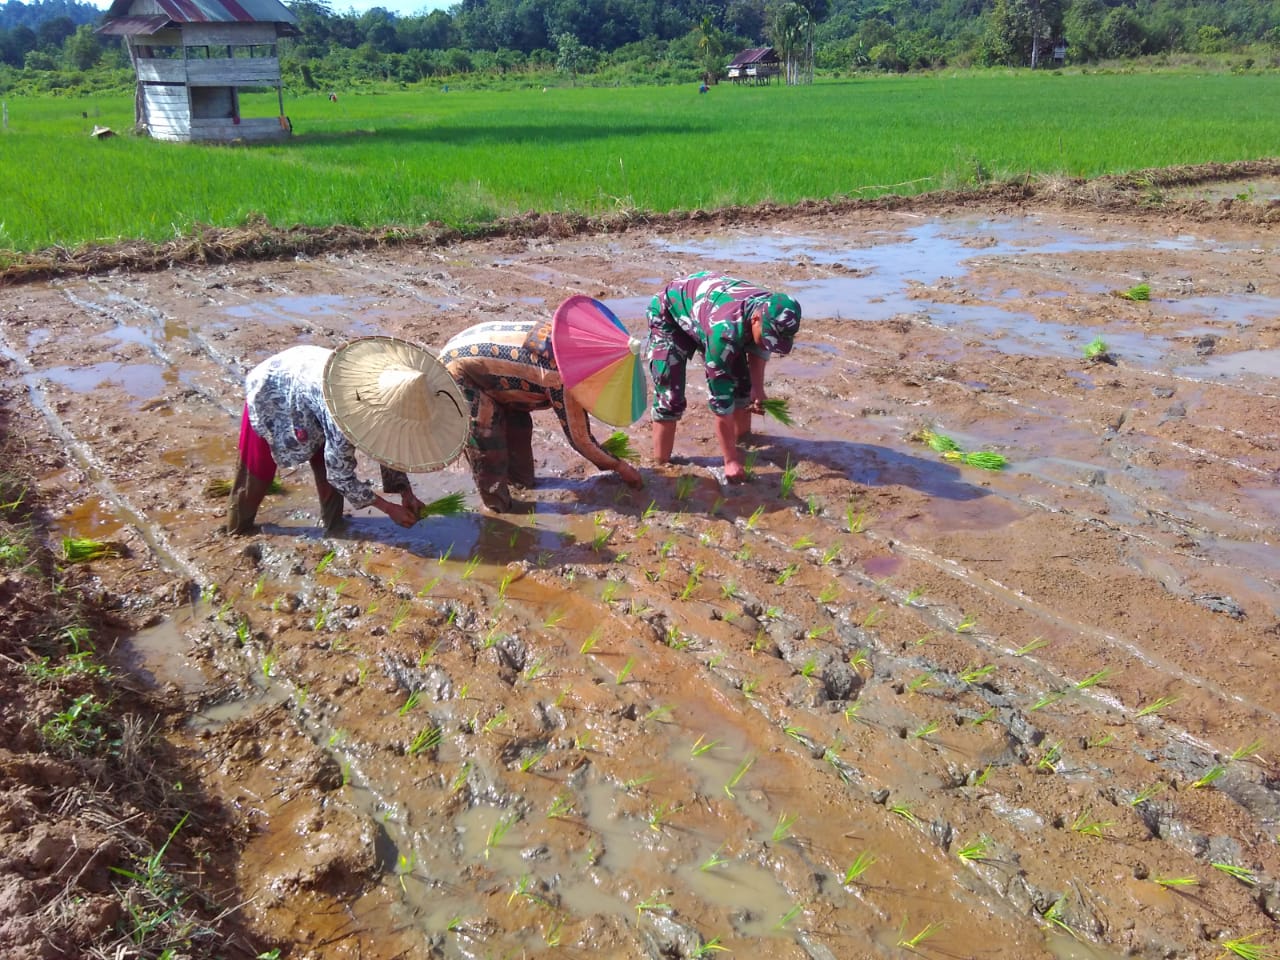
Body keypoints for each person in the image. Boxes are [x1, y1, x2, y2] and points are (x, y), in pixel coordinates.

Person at [227, 337, 467, 534]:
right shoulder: (347, 418)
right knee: (258, 472)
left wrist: (406, 493)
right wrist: (387, 508)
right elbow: (339, 476)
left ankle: (334, 525)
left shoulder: (390, 397)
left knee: (327, 459)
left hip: (315, 393)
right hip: (274, 387)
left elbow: (389, 446)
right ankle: (238, 527)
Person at [440, 319, 644, 512]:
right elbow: (579, 438)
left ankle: (520, 483)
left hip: (490, 363)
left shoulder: (576, 340)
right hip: (460, 371)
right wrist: (620, 466)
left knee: (519, 428)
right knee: (487, 441)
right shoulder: (562, 377)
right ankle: (497, 509)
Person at [646, 271, 801, 483]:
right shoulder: (724, 335)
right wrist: (730, 461)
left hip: (710, 312)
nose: (768, 344)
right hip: (670, 314)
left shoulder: (771, 306)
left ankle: (743, 441)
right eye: (767, 336)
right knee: (670, 395)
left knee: (742, 388)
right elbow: (721, 404)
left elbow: (759, 346)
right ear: (756, 319)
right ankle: (661, 467)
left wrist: (758, 388)